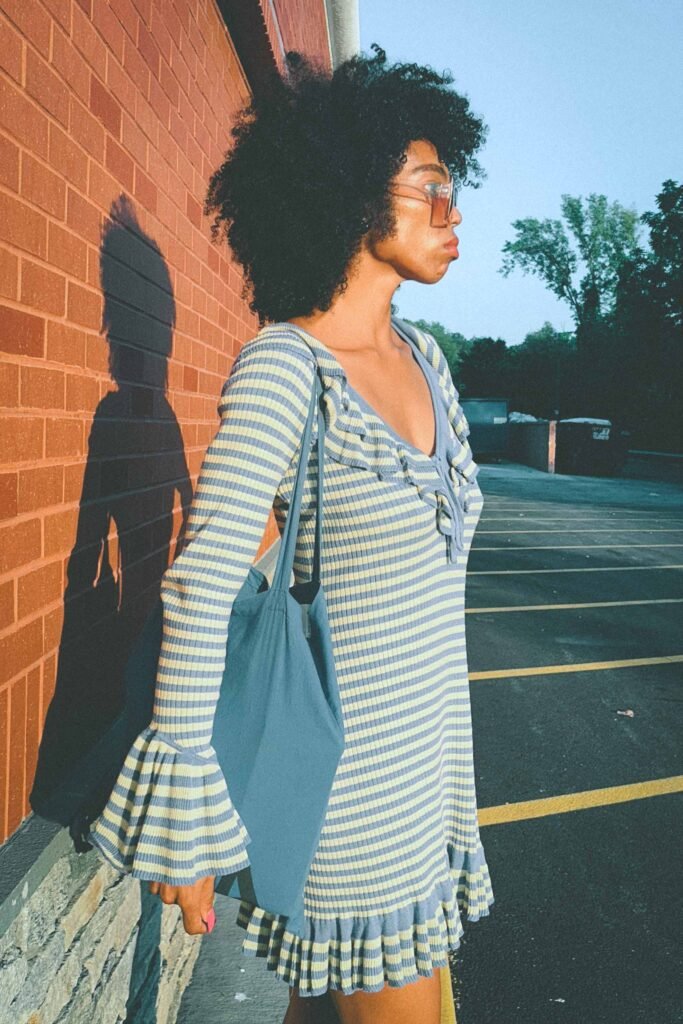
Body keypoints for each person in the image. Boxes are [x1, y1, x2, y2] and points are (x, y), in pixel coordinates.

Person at [85, 44, 492, 1024]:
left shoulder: (427, 360)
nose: (453, 213)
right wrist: (183, 809)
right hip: (352, 795)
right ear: (350, 196)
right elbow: (199, 584)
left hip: (427, 765)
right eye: (430, 188)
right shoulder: (286, 367)